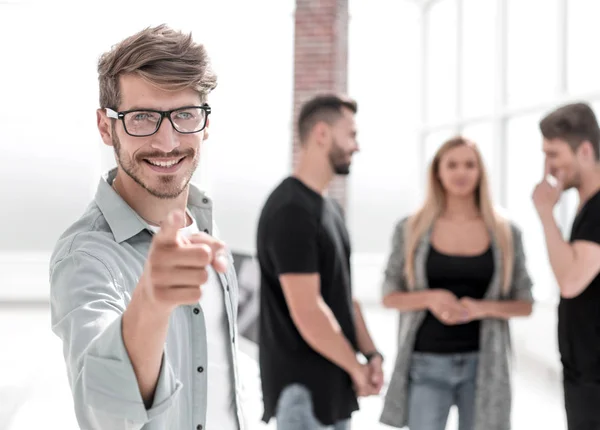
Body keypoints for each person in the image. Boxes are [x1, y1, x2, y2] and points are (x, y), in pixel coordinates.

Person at [49, 25, 244, 430]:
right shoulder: (86, 258)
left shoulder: (203, 222)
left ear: (205, 122)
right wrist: (151, 304)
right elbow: (102, 412)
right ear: (107, 127)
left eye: (185, 115)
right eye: (142, 118)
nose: (168, 142)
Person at [380, 137, 534, 430]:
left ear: (480, 172)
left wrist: (481, 308)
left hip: (484, 366)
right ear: (437, 172)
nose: (461, 172)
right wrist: (430, 298)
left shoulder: (505, 233)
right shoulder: (411, 229)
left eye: (469, 165)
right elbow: (389, 295)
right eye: (452, 165)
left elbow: (525, 303)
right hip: (426, 363)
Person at [256, 94, 383, 430]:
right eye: (351, 134)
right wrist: (356, 368)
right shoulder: (291, 210)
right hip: (303, 393)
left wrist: (371, 355)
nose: (356, 146)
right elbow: (309, 311)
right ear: (322, 134)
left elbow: (343, 294)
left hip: (332, 388)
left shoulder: (329, 209)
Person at [532, 102, 600, 430]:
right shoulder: (588, 207)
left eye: (554, 154)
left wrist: (545, 213)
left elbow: (571, 281)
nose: (549, 166)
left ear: (585, 150)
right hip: (585, 373)